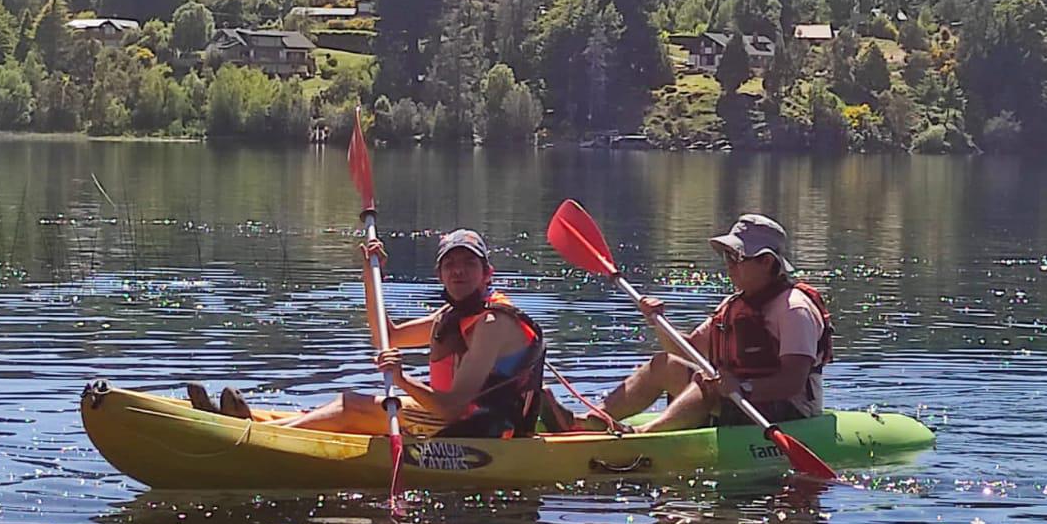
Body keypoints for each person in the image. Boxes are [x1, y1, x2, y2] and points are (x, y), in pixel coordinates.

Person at [191, 229, 546, 439]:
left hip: (484, 434)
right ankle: (248, 422)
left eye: (469, 264)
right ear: (440, 275)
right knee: (340, 404)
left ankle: (257, 437)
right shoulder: (455, 315)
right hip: (457, 420)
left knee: (351, 407)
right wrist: (369, 273)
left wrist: (403, 381)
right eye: (450, 265)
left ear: (488, 274)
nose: (459, 272)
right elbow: (386, 336)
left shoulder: (491, 323)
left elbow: (454, 407)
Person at [541, 214, 832, 434]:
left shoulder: (794, 309)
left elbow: (792, 382)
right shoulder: (734, 305)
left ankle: (641, 437)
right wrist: (656, 321)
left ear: (767, 263)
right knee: (664, 363)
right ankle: (590, 422)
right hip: (738, 397)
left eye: (736, 257)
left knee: (706, 383)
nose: (728, 264)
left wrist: (743, 386)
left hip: (789, 413)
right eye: (726, 256)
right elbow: (687, 351)